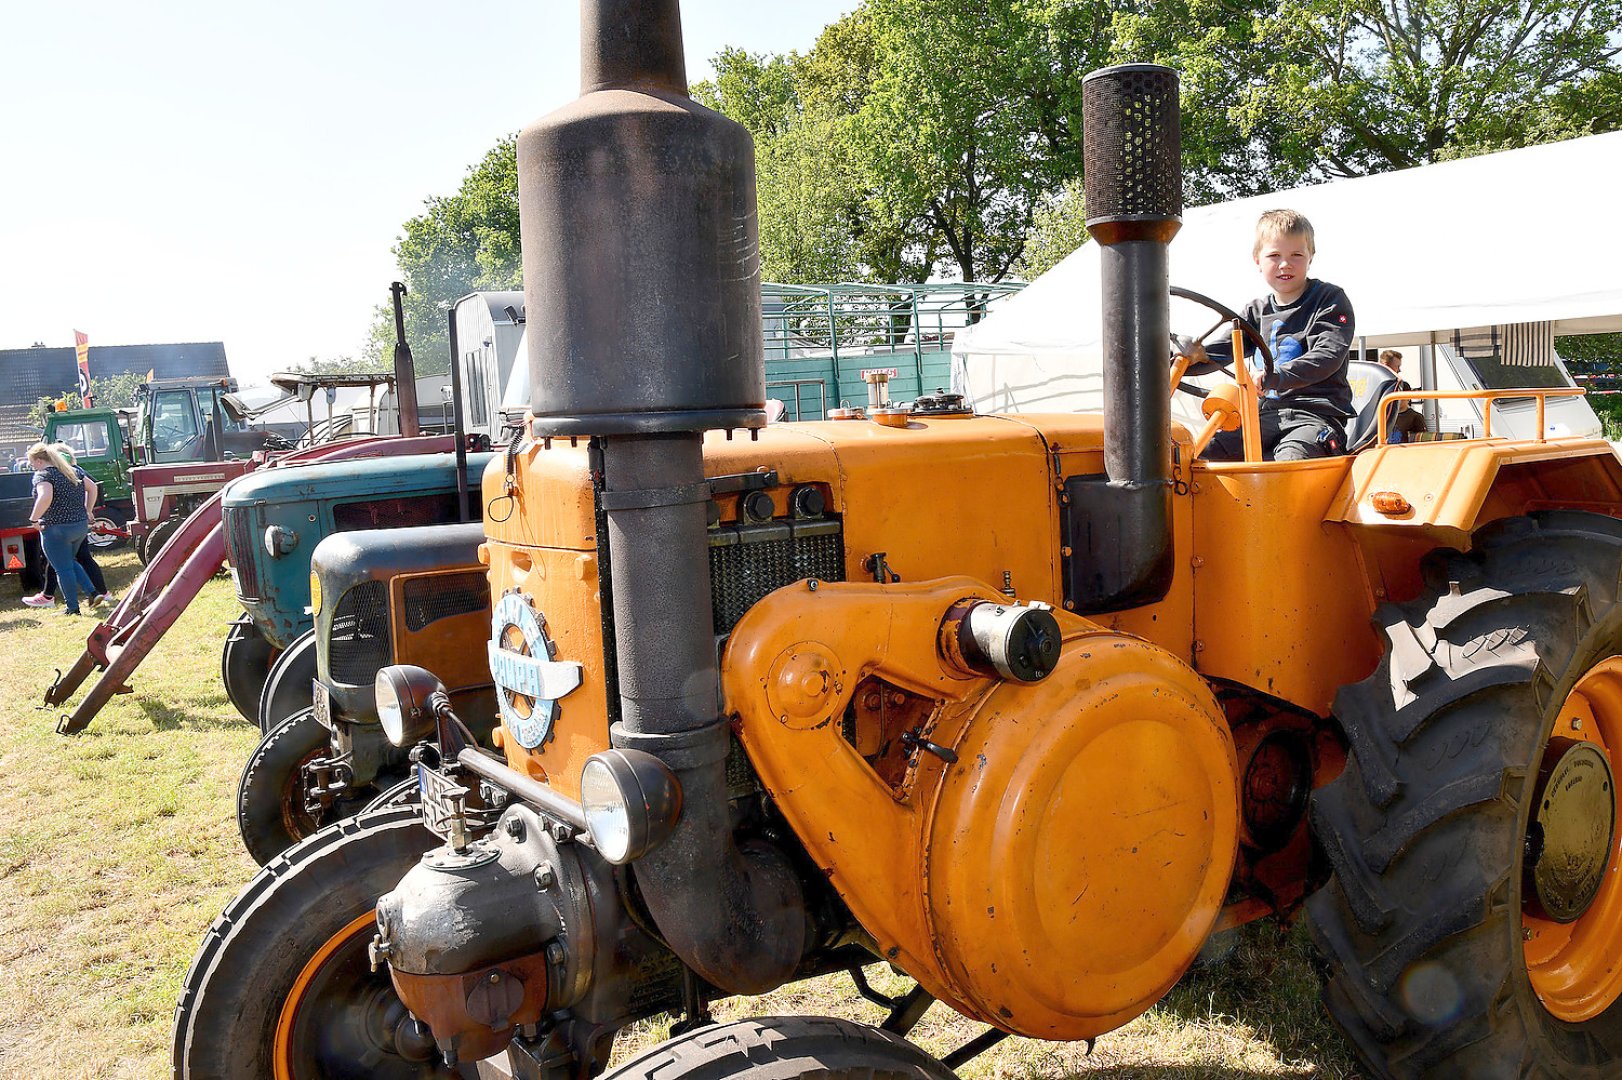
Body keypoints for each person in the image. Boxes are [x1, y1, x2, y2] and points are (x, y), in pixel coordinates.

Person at [1188, 209, 1356, 461]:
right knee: (1198, 456)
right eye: (1274, 255)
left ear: (1311, 257)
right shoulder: (1256, 312)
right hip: (1265, 415)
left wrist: (1275, 377)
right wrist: (1186, 358)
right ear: (1257, 260)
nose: (1285, 264)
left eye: (1296, 255)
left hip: (1314, 416)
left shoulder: (1329, 300)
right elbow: (1217, 352)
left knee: (1289, 461)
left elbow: (1327, 356)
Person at [22, 442, 112, 608]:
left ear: (40, 461)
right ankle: (93, 593)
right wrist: (88, 510)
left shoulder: (44, 475)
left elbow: (45, 497)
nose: (32, 466)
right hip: (79, 526)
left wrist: (34, 519)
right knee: (69, 562)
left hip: (56, 528)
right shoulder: (74, 471)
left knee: (63, 570)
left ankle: (73, 609)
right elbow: (93, 488)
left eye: (32, 462)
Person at [1378, 349, 1428, 441]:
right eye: (1397, 366)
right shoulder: (1378, 412)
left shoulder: (1414, 417)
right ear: (1386, 366)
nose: (1399, 370)